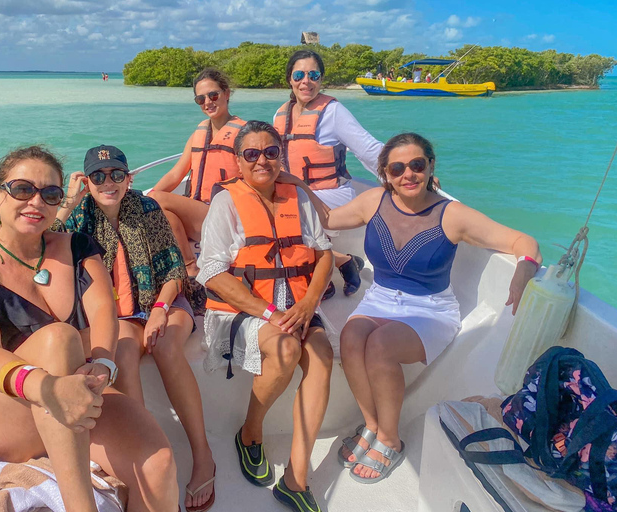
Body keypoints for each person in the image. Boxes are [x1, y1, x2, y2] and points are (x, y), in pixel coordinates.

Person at [283, 132, 541, 484]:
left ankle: (390, 439)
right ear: (386, 174)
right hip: (381, 298)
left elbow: (521, 240)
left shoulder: (452, 215)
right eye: (398, 168)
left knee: (381, 345)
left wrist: (525, 266)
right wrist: (297, 183)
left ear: (430, 166)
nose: (408, 174)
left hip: (430, 309)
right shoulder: (374, 201)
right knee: (351, 337)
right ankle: (372, 425)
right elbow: (328, 219)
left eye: (417, 165)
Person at [0, 145, 179, 511]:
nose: (35, 202)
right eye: (23, 189)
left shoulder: (79, 248)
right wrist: (48, 388)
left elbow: (105, 312)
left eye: (50, 194)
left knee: (158, 463)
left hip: (81, 393)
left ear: (60, 201)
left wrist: (102, 365)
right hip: (7, 415)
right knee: (59, 338)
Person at [54, 145, 216, 512]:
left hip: (166, 300)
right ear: (87, 182)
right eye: (98, 176)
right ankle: (146, 455)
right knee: (124, 353)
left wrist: (160, 309)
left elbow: (175, 270)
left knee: (167, 348)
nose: (107, 183)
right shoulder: (80, 217)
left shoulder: (147, 209)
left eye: (115, 174)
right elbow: (40, 241)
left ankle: (202, 454)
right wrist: (67, 201)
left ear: (129, 177)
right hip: (119, 316)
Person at [197, 120, 334, 512]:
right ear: (238, 161)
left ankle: (296, 479)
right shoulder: (226, 202)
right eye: (251, 154)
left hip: (298, 303)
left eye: (271, 152)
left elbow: (323, 253)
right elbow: (212, 273)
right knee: (288, 349)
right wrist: (271, 313)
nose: (262, 161)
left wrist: (309, 304)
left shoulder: (297, 197)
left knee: (322, 358)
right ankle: (250, 434)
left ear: (281, 156)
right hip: (246, 308)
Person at [274, 49, 384, 300]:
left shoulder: (333, 112)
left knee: (287, 217)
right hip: (297, 192)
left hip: (332, 193)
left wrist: (404, 170)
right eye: (299, 74)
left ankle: (319, 273)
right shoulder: (280, 114)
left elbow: (368, 149)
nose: (306, 81)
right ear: (289, 79)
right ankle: (342, 261)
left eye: (314, 75)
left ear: (321, 79)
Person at [150, 68, 246, 279]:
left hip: (226, 217)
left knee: (156, 199)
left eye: (213, 95)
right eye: (200, 99)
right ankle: (190, 267)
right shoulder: (199, 133)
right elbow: (176, 174)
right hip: (201, 213)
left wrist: (151, 197)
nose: (207, 102)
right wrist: (143, 201)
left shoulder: (245, 134)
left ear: (226, 93)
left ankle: (190, 269)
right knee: (160, 211)